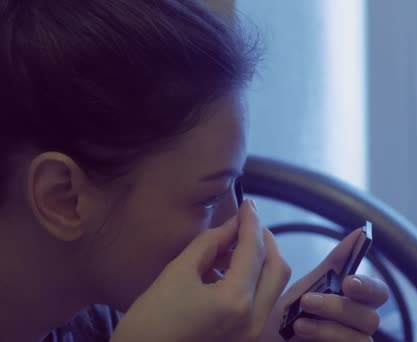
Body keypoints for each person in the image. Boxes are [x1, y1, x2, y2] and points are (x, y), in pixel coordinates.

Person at [0, 0, 389, 341]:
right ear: (63, 198)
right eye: (208, 198)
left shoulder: (100, 321)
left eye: (235, 186)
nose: (238, 231)